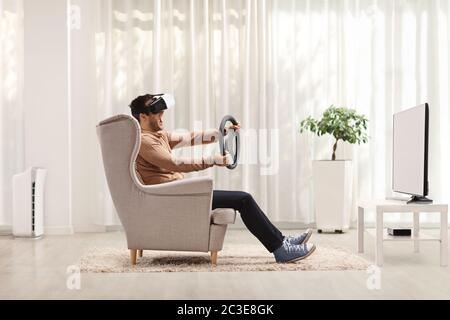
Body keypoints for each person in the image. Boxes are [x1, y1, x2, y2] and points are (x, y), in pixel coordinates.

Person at [129, 94, 316, 263]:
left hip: (180, 192)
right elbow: (175, 164)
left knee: (243, 199)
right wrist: (212, 160)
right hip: (173, 197)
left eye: (162, 112)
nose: (162, 116)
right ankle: (281, 249)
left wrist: (221, 133)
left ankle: (282, 240)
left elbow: (190, 138)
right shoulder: (145, 141)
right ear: (143, 117)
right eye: (156, 113)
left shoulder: (158, 135)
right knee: (244, 199)